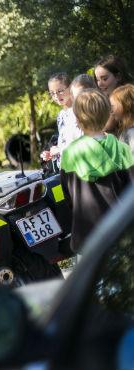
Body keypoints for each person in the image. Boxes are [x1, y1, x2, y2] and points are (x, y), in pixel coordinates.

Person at [61, 88, 134, 253]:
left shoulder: (70, 154)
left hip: (87, 237)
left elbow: (68, 196)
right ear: (108, 115)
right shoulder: (122, 150)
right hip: (120, 233)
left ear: (78, 120)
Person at [41, 73, 82, 168]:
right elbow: (65, 141)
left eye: (60, 91)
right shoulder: (61, 115)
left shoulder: (79, 111)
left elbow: (81, 142)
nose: (56, 96)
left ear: (71, 87)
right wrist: (52, 153)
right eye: (52, 93)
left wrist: (59, 150)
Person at [93, 55, 134, 133]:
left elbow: (106, 128)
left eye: (104, 79)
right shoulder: (105, 100)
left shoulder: (125, 98)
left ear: (118, 76)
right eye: (97, 80)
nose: (99, 84)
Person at [109, 84, 134, 153]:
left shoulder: (131, 132)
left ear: (126, 104)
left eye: (113, 106)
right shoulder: (125, 130)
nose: (111, 110)